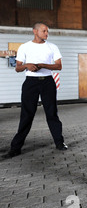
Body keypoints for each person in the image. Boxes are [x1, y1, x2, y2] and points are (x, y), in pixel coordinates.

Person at [3, 23, 66, 159]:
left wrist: (42, 65)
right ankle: (15, 148)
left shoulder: (52, 47)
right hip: (30, 83)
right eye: (44, 31)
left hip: (48, 82)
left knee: (52, 113)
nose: (46, 34)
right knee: (27, 115)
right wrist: (27, 65)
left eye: (47, 31)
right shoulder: (24, 47)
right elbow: (18, 68)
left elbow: (58, 66)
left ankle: (59, 142)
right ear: (35, 31)